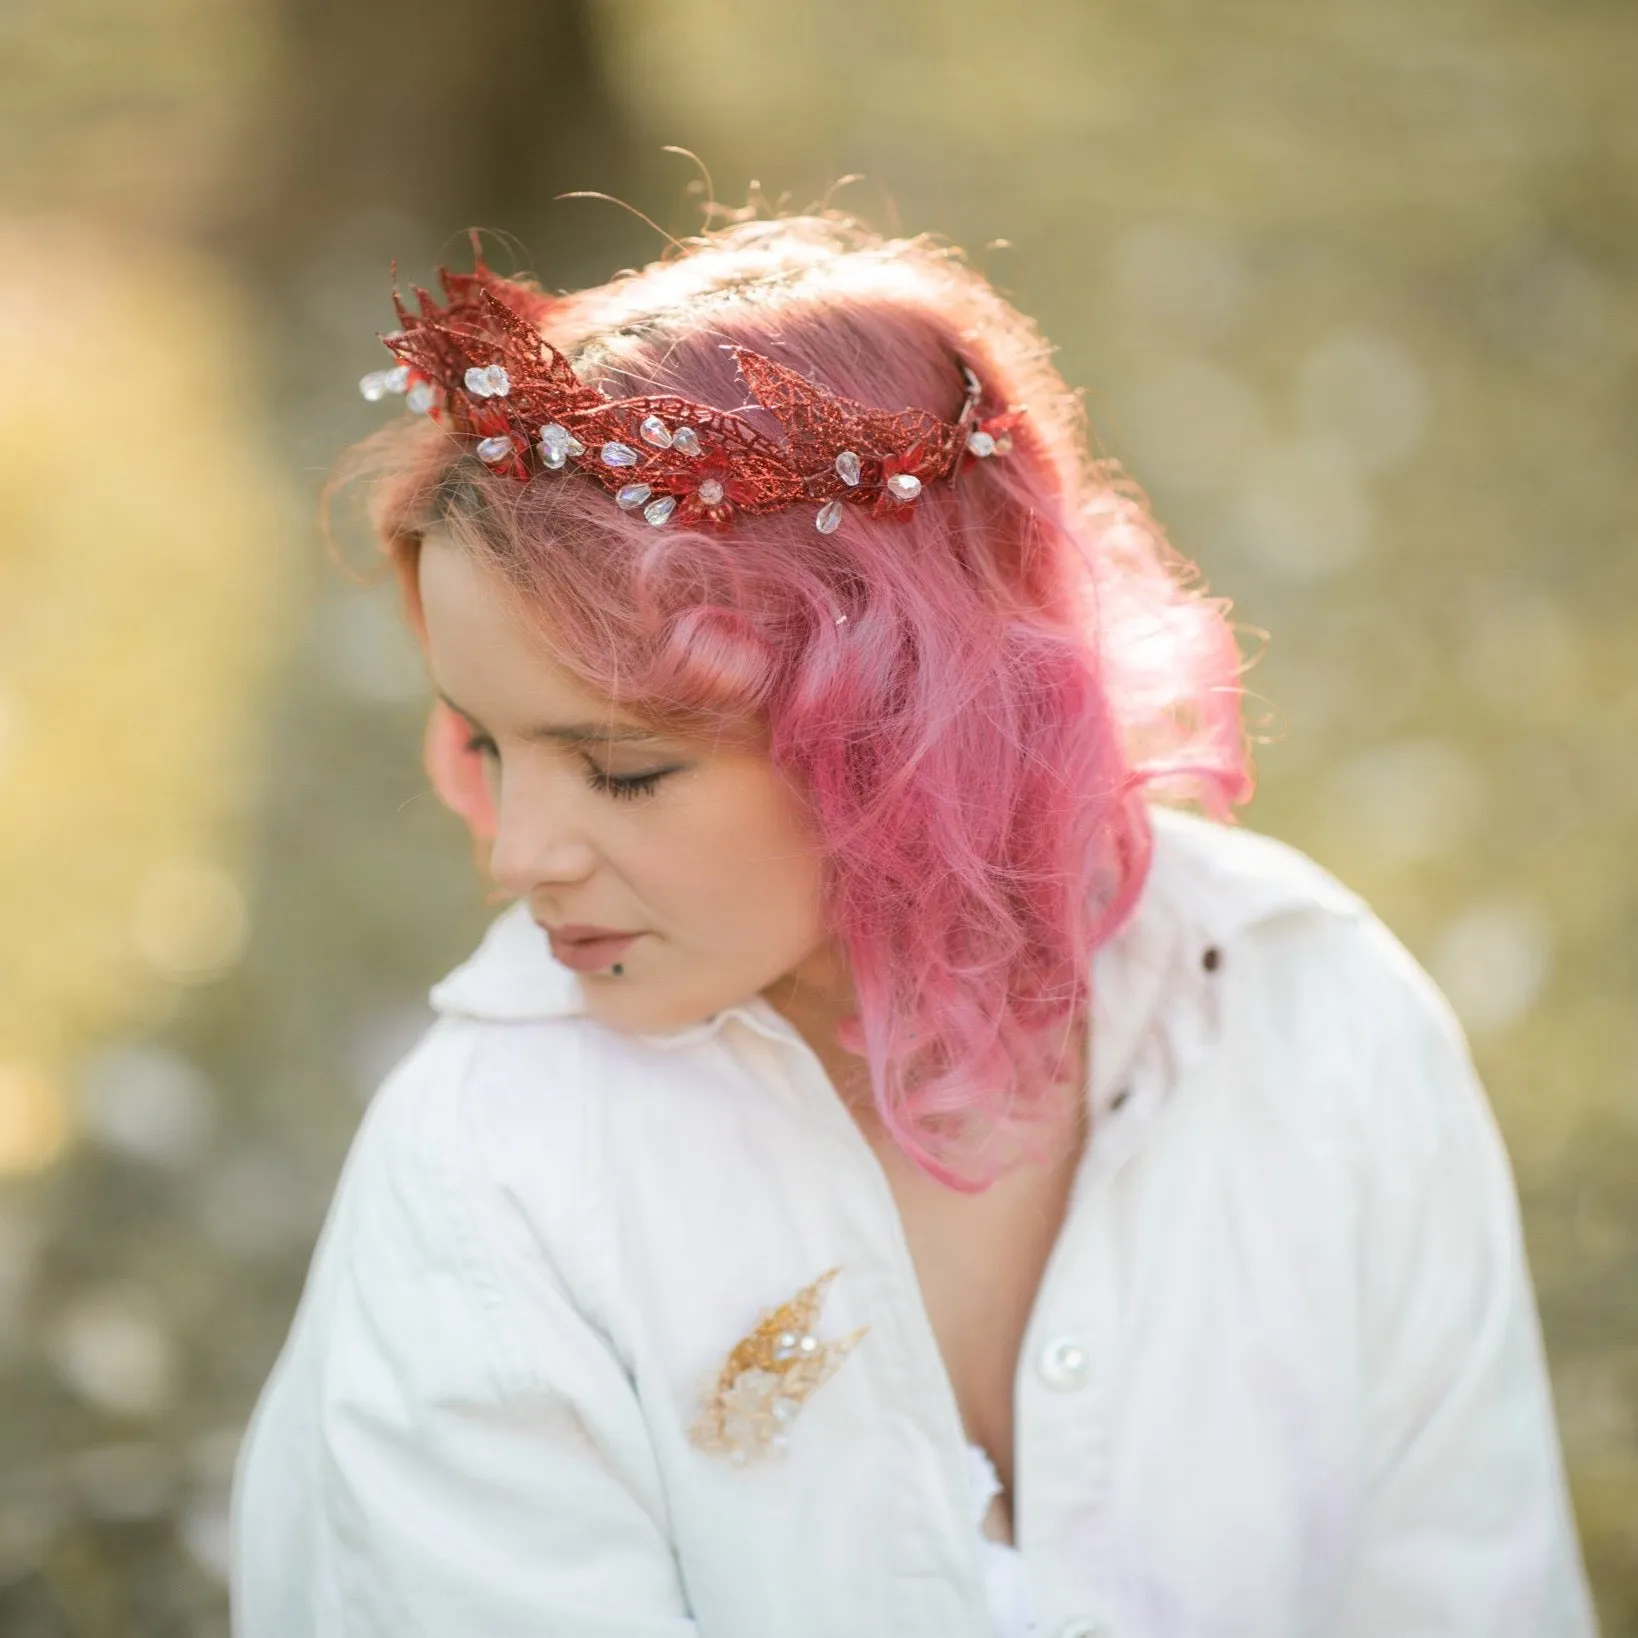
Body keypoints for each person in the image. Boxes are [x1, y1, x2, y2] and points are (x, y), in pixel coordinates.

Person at [230, 213, 1598, 1638]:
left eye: (626, 769)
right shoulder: (491, 1172)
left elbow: (1467, 1582)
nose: (518, 854)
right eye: (487, 746)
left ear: (892, 728)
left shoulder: (1303, 1018)